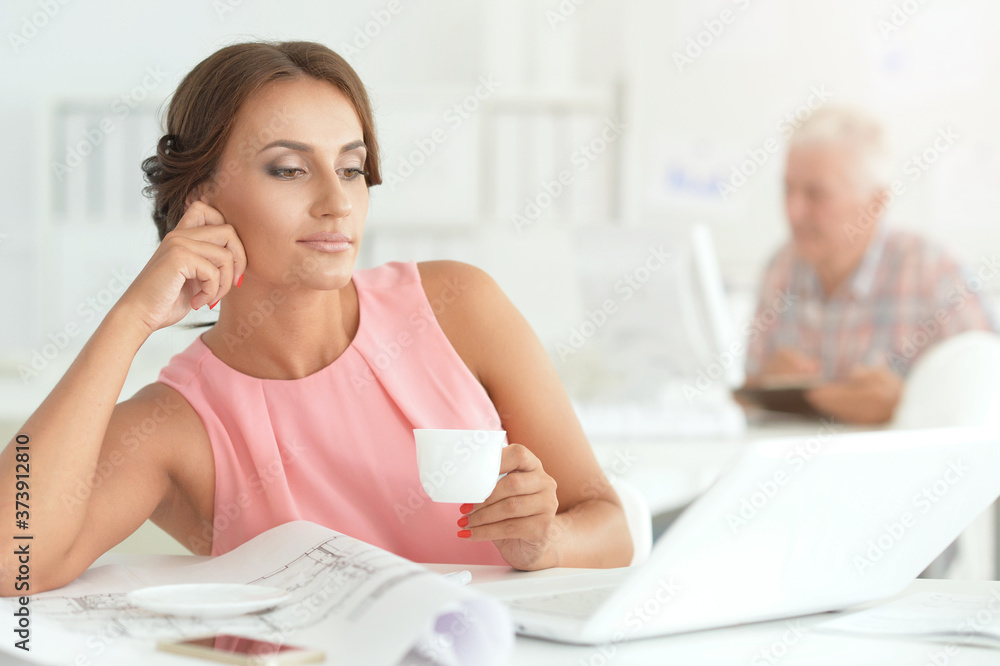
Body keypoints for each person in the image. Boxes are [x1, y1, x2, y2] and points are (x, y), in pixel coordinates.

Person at [0, 41, 631, 596]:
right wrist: (130, 318)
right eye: (289, 169)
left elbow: (608, 524)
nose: (336, 203)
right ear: (202, 197)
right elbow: (11, 562)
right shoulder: (175, 425)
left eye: (352, 169)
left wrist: (544, 543)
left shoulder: (456, 307)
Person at [743, 105, 998, 424]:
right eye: (788, 189)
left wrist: (903, 408)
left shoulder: (931, 270)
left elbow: (988, 397)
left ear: (876, 203)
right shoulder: (780, 268)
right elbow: (744, 397)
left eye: (816, 194)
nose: (794, 212)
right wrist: (765, 388)